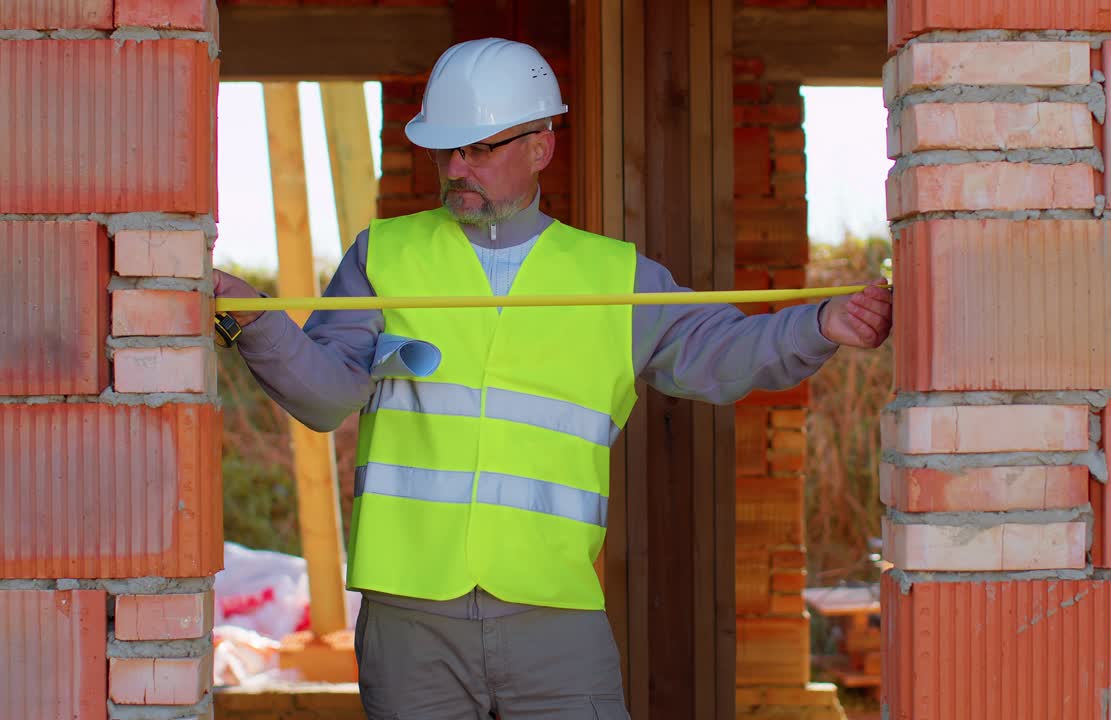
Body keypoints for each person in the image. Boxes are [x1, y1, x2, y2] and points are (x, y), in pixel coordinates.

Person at [214, 37, 892, 720]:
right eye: (445, 150)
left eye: (479, 149)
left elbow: (722, 351)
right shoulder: (384, 257)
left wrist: (822, 324)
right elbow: (327, 396)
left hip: (554, 615)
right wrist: (252, 315)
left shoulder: (614, 278)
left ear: (540, 145)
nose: (456, 167)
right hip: (409, 619)